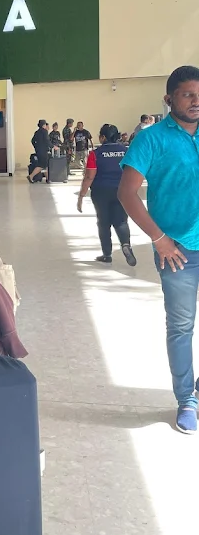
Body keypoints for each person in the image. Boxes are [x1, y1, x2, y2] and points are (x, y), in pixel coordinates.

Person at [119, 65, 199, 435]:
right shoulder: (150, 139)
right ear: (169, 99)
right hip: (177, 251)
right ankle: (187, 399)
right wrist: (158, 238)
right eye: (187, 94)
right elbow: (126, 193)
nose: (196, 101)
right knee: (181, 327)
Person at [77, 124, 136, 266]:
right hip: (121, 190)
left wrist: (81, 196)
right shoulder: (126, 151)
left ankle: (107, 254)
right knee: (121, 221)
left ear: (103, 137)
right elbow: (133, 171)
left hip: (100, 191)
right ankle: (126, 245)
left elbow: (89, 176)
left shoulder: (95, 154)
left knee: (103, 223)